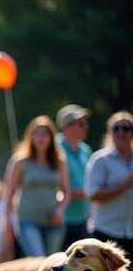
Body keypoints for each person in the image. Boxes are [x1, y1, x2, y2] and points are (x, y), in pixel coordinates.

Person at [3, 116, 70, 257]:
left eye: (44, 134)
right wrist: (6, 222)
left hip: (54, 222)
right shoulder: (20, 161)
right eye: (36, 134)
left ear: (51, 137)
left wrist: (60, 209)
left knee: (52, 262)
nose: (40, 138)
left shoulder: (60, 161)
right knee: (38, 260)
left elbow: (66, 192)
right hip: (28, 220)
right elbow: (10, 193)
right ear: (30, 137)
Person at [85, 111, 133, 266]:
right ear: (110, 133)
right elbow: (92, 194)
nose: (121, 132)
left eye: (126, 128)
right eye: (116, 128)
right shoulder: (100, 159)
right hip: (106, 231)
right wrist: (123, 186)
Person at [56, 104, 92, 249]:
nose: (86, 127)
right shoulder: (54, 148)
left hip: (82, 219)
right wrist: (89, 193)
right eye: (81, 123)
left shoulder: (86, 150)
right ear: (66, 127)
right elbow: (54, 185)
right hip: (59, 219)